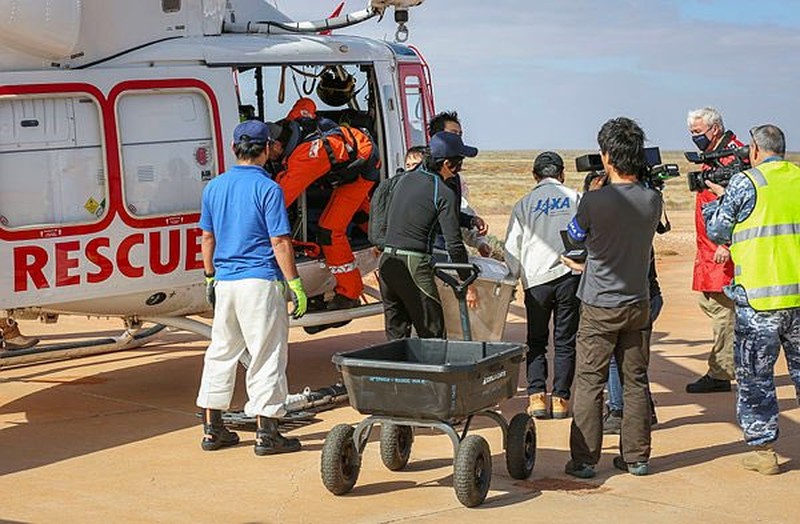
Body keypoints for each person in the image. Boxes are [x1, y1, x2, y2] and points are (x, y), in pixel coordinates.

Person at [196, 120, 307, 456]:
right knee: (267, 354)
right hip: (260, 281)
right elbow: (279, 240)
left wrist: (209, 275)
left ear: (233, 148)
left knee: (221, 351)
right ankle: (267, 431)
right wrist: (295, 283)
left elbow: (207, 237)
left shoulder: (213, 187)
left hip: (226, 282)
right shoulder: (269, 189)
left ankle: (212, 428)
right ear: (268, 149)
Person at [562, 117, 662, 478]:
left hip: (599, 303)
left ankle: (585, 459)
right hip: (638, 303)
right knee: (635, 379)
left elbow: (575, 236)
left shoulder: (593, 201)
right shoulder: (653, 199)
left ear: (607, 156)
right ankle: (636, 457)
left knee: (590, 379)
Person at [703, 124, 800, 475]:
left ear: (755, 151)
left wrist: (717, 199)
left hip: (760, 302)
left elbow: (718, 230)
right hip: (798, 300)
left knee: (756, 378)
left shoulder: (747, 183)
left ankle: (764, 452)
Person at [272, 99, 381, 310]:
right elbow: (307, 103)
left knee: (329, 231)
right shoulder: (295, 121)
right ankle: (382, 237)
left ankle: (350, 293)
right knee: (357, 212)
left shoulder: (305, 159)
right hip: (360, 155)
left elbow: (277, 201)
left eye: (268, 150)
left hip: (361, 171)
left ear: (277, 144)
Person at [378, 132, 478, 340]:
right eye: (459, 166)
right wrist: (467, 282)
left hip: (387, 261)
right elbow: (454, 245)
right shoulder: (443, 191)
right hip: (413, 264)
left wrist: (469, 220)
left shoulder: (405, 180)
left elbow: (419, 211)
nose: (458, 173)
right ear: (447, 164)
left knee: (397, 334)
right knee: (432, 333)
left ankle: (394, 372)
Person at [504, 151, 580, 420]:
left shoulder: (524, 203)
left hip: (536, 281)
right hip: (570, 276)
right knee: (565, 340)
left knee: (536, 340)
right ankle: (561, 398)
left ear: (535, 176)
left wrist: (510, 280)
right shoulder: (575, 198)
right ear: (562, 174)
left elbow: (513, 245)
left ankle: (536, 397)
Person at [685, 107, 746, 393]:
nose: (694, 137)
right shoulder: (715, 153)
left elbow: (741, 202)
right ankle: (734, 359)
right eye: (692, 133)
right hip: (709, 249)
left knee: (724, 310)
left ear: (715, 128)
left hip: (721, 249)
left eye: (698, 132)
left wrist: (727, 243)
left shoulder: (732, 157)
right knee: (710, 303)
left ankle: (721, 372)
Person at [428, 111, 491, 257]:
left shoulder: (454, 177)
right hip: (426, 249)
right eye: (453, 133)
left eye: (459, 134)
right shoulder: (419, 173)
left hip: (444, 249)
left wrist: (478, 237)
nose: (457, 138)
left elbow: (456, 211)